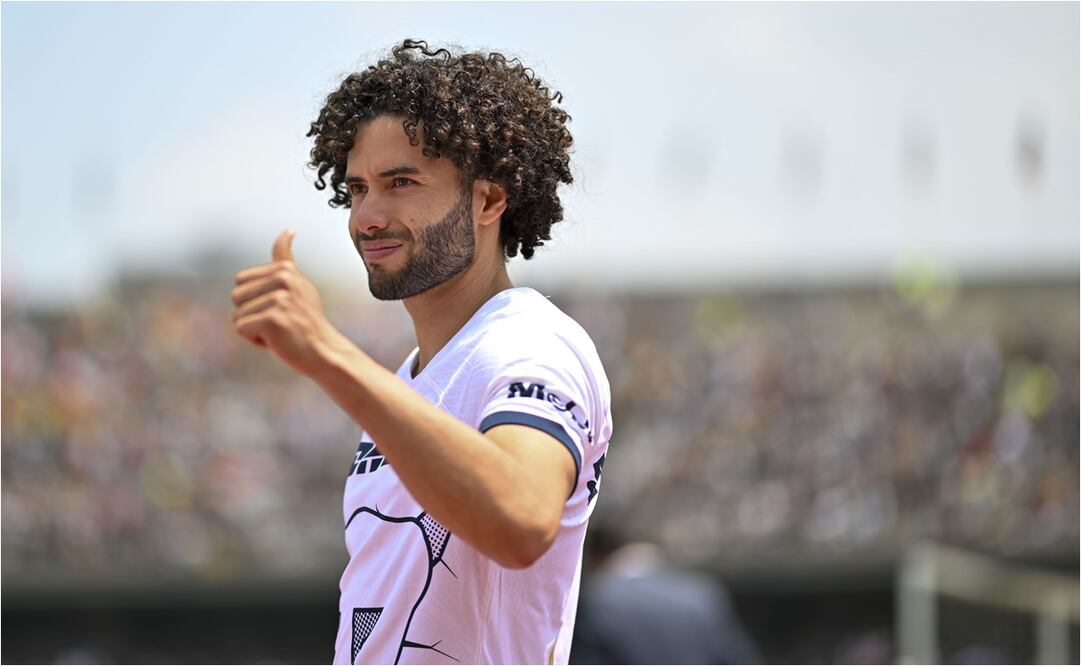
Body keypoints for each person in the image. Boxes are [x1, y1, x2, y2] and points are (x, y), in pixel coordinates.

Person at [229, 39, 612, 665]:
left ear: (489, 200)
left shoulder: (531, 343)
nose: (366, 217)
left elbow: (522, 521)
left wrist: (325, 350)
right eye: (357, 188)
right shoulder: (411, 377)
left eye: (400, 183)